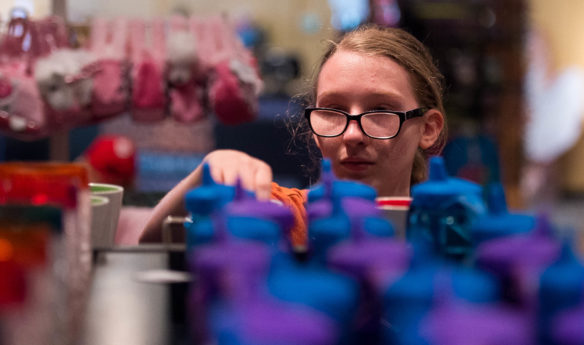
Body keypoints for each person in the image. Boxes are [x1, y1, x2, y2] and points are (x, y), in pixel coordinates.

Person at [139, 24, 446, 246]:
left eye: (381, 111)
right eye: (333, 111)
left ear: (428, 129)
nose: (352, 134)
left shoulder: (453, 228)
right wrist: (206, 172)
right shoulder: (279, 215)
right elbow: (152, 245)